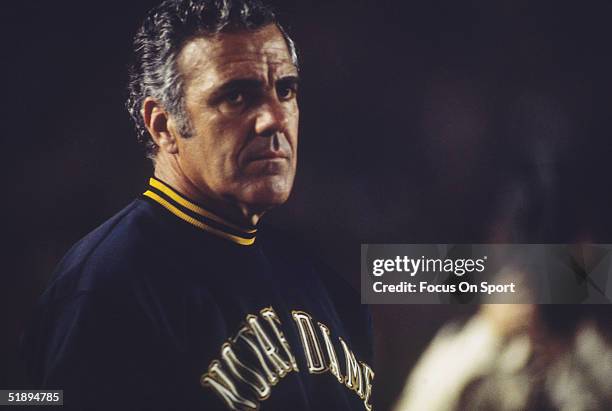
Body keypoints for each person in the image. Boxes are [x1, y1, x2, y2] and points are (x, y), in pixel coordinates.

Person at [21, 1, 374, 410]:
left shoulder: (325, 282)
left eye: (285, 90)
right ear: (163, 124)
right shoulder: (105, 287)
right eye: (237, 96)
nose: (273, 119)